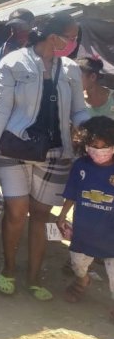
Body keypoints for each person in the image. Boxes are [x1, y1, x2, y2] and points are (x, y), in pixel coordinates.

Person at [0, 13, 89, 301]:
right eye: (71, 36)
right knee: (16, 212)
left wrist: (93, 132)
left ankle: (35, 277)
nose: (74, 42)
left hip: (56, 152)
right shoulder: (13, 63)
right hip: (15, 147)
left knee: (40, 215)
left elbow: (79, 110)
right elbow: (1, 107)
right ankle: (9, 269)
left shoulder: (71, 70)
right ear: (53, 37)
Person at [56, 116, 114, 320]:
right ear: (85, 144)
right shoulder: (81, 166)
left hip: (111, 232)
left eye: (104, 146)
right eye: (93, 145)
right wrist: (62, 215)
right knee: (77, 263)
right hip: (84, 230)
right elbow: (71, 193)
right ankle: (82, 280)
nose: (98, 151)